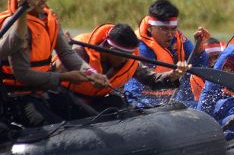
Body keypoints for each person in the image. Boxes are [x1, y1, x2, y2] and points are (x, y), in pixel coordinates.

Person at [0, 0, 110, 127]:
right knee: (60, 129)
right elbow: (23, 74)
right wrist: (63, 77)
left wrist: (90, 73)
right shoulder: (15, 26)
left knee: (94, 119)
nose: (44, 0)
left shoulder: (48, 17)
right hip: (20, 98)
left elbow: (65, 52)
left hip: (46, 90)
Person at [60, 23, 189, 111]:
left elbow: (152, 79)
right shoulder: (80, 51)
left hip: (95, 100)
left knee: (117, 103)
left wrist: (173, 75)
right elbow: (57, 73)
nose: (126, 60)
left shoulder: (128, 60)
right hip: (67, 97)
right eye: (123, 55)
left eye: (129, 55)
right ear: (109, 48)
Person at [124, 0, 209, 106]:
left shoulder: (179, 40)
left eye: (173, 29)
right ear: (150, 28)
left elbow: (200, 68)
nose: (170, 35)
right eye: (164, 29)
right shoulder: (141, 50)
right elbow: (133, 96)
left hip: (175, 100)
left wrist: (199, 51)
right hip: (148, 103)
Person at [189, 37, 225, 105]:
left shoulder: (227, 65)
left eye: (216, 57)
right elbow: (204, 104)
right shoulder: (195, 77)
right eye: (209, 58)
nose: (213, 62)